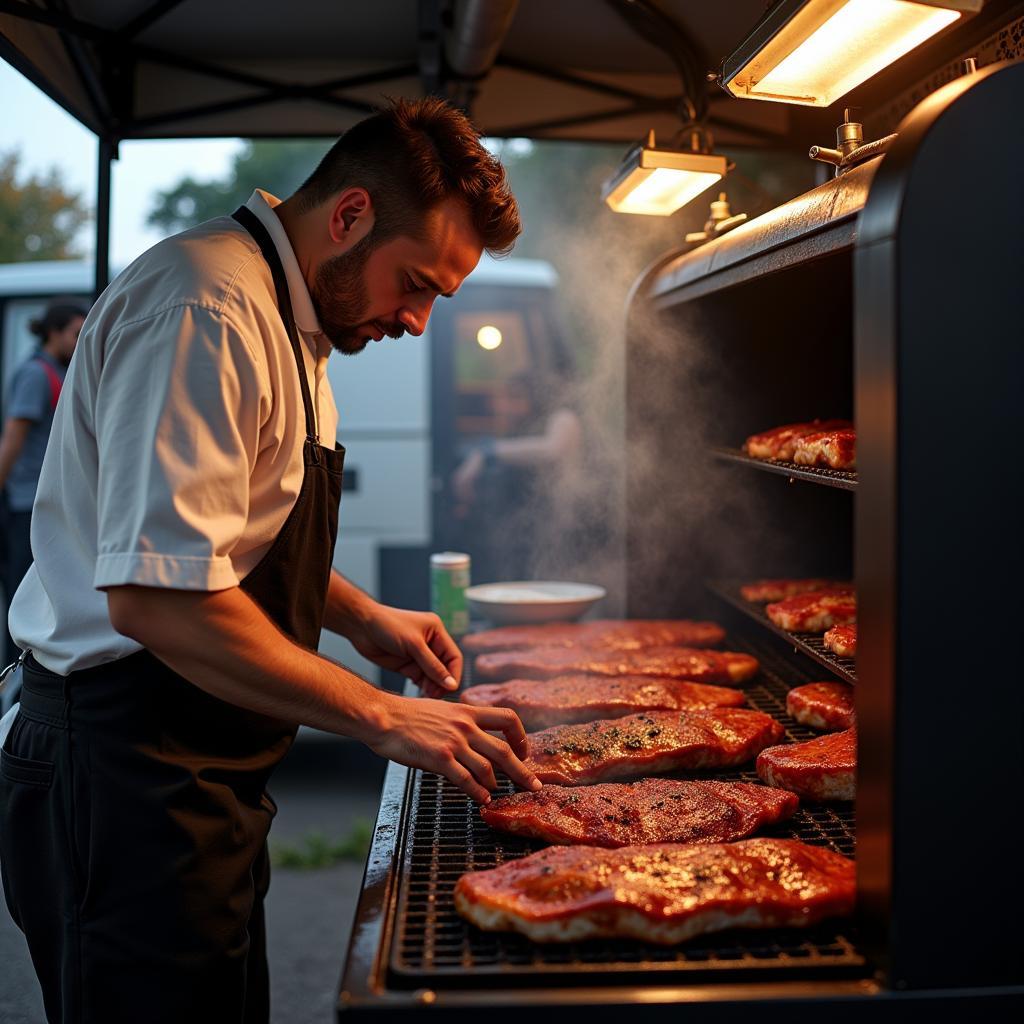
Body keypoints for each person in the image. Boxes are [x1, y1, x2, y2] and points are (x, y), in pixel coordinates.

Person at [0, 98, 540, 1024]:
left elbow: (223, 542)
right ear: (350, 216)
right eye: (414, 284)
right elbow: (155, 599)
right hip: (120, 768)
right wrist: (377, 714)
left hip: (198, 770)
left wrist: (366, 618)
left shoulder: (293, 324)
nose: (415, 321)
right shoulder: (204, 308)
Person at [0, 297, 86, 668]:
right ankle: (14, 685)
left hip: (43, 503)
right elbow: (13, 437)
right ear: (54, 332)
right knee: (23, 602)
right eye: (76, 334)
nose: (81, 341)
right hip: (23, 504)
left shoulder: (60, 370)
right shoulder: (38, 374)